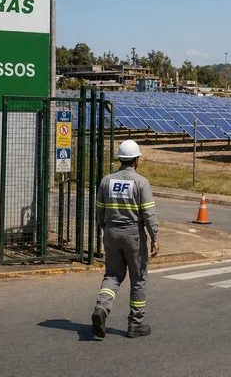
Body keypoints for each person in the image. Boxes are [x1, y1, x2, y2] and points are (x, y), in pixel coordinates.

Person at [91, 139, 159, 339]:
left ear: (120, 158)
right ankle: (135, 324)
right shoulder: (141, 182)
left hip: (111, 232)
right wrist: (155, 236)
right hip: (133, 235)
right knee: (138, 279)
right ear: (136, 160)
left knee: (112, 275)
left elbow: (99, 210)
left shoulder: (106, 181)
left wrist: (105, 228)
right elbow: (148, 213)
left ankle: (102, 309)